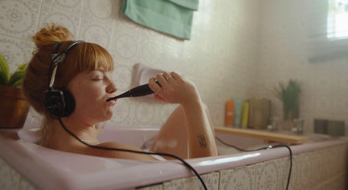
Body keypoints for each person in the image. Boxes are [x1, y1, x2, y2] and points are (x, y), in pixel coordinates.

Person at [23, 24, 218, 160]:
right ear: (57, 96)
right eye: (98, 78)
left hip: (157, 154)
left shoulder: (47, 139)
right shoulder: (110, 152)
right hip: (166, 160)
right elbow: (208, 178)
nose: (114, 87)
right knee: (200, 108)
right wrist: (191, 100)